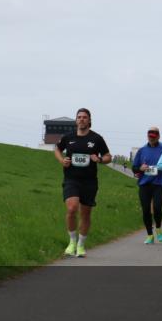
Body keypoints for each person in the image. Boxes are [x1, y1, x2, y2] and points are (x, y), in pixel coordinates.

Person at [54, 108, 111, 258]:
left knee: (85, 214)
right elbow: (57, 149)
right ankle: (72, 242)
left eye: (85, 117)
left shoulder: (96, 139)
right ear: (76, 120)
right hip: (71, 179)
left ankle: (80, 245)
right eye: (79, 117)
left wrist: (99, 159)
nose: (81, 119)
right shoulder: (68, 137)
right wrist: (62, 160)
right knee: (72, 208)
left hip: (89, 181)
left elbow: (108, 156)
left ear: (89, 120)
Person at [132, 126, 162, 244]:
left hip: (159, 183)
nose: (151, 139)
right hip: (144, 184)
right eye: (150, 137)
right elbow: (134, 168)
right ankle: (149, 235)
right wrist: (140, 168)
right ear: (147, 136)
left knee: (157, 207)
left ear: (158, 136)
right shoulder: (142, 150)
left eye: (154, 137)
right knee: (146, 210)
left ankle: (158, 227)